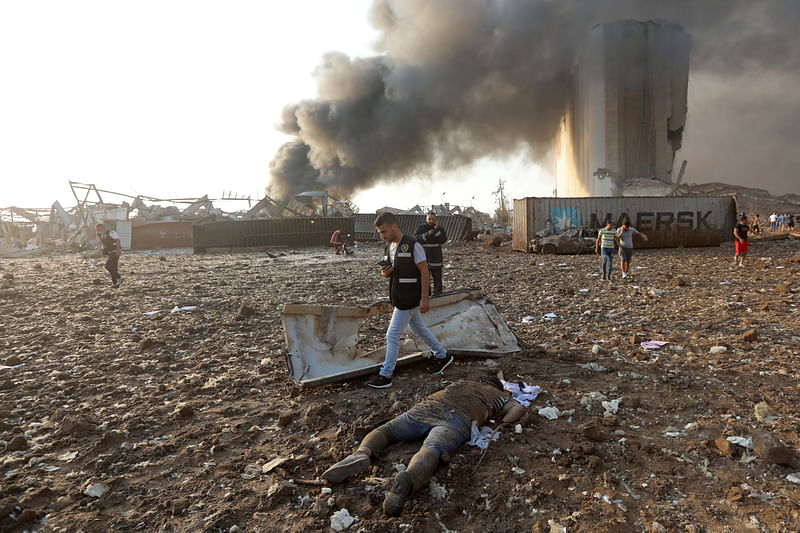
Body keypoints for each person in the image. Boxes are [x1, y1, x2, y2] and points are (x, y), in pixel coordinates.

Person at [321, 377, 526, 516]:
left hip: (427, 407)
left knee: (388, 431)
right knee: (432, 448)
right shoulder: (497, 395)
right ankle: (409, 478)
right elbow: (517, 409)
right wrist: (504, 421)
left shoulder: (461, 383)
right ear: (499, 387)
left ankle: (362, 453)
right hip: (456, 419)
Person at [369, 212, 452, 389]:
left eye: (384, 232)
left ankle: (386, 375)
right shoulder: (389, 247)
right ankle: (443, 355)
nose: (382, 236)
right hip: (398, 295)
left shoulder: (413, 245)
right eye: (379, 233)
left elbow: (424, 271)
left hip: (409, 297)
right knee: (419, 328)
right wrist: (385, 273)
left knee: (392, 335)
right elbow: (388, 270)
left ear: (394, 226)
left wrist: (424, 297)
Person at [414, 211, 447, 296]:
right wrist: (427, 234)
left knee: (437, 279)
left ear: (436, 219)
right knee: (425, 278)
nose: (431, 221)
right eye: (429, 219)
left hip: (436, 257)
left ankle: (438, 296)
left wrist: (436, 231)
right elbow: (416, 239)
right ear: (426, 219)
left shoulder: (440, 228)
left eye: (433, 219)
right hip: (424, 256)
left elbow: (442, 240)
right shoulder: (421, 228)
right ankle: (426, 296)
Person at [95, 222, 123, 287]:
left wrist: (118, 250)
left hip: (115, 251)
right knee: (114, 268)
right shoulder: (104, 235)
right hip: (110, 252)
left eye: (99, 230)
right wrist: (99, 236)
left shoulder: (111, 232)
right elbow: (104, 244)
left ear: (102, 228)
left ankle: (119, 278)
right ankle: (115, 283)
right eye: (97, 230)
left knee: (108, 266)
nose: (98, 231)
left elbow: (118, 240)